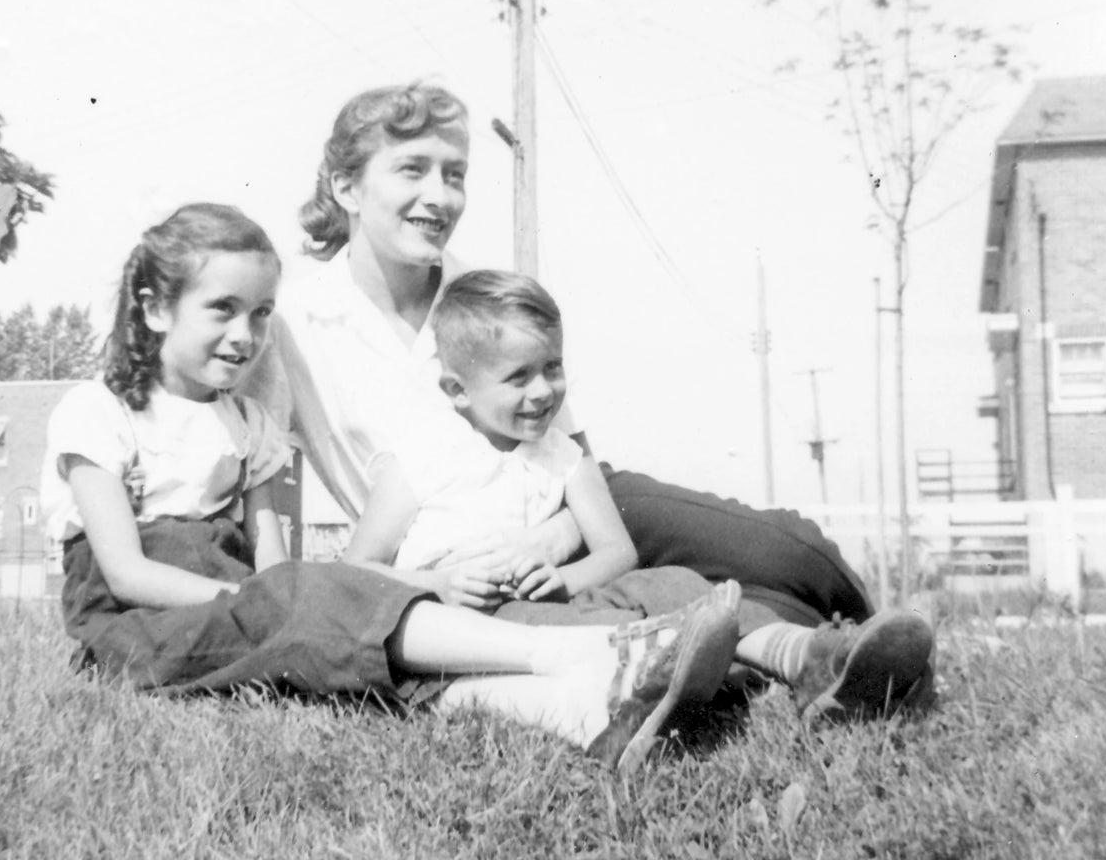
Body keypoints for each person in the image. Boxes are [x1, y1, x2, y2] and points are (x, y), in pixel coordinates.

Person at [245, 81, 935, 725]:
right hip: (455, 553)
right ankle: (826, 661)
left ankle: (867, 643)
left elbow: (566, 444)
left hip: (572, 505)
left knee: (788, 552)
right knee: (716, 601)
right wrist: (282, 597)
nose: (440, 194)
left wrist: (553, 539)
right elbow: (264, 476)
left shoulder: (478, 294)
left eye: (454, 174)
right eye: (412, 169)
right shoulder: (293, 325)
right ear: (346, 187)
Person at [40, 201, 743, 774]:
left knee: (337, 628)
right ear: (155, 308)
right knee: (316, 602)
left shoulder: (248, 422)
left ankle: (577, 707)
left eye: (260, 314)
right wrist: (271, 603)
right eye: (221, 309)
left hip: (238, 606)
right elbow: (127, 574)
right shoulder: (100, 413)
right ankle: (582, 656)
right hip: (137, 626)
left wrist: (280, 598)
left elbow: (271, 560)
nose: (245, 334)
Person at [346, 267, 723, 633]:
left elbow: (618, 551)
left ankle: (764, 642)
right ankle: (655, 647)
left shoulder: (563, 455)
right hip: (457, 620)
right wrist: (436, 584)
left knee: (673, 582)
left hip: (546, 604)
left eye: (552, 367)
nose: (543, 391)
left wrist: (562, 579)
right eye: (519, 377)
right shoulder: (420, 457)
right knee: (583, 625)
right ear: (458, 391)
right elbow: (359, 565)